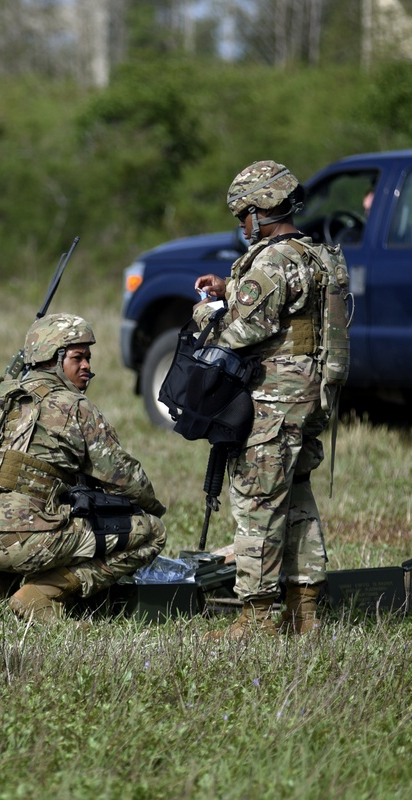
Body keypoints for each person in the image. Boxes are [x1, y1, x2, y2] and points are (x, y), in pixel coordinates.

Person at [194, 160, 337, 640]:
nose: (242, 226)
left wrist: (207, 314)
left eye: (243, 216)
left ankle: (256, 617)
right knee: (296, 500)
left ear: (261, 210)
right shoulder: (313, 255)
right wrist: (230, 287)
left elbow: (245, 329)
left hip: (272, 403)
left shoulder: (271, 260)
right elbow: (280, 301)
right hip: (306, 399)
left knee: (257, 501)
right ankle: (305, 612)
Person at [0, 313, 167, 622]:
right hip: (22, 542)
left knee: (27, 517)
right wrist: (152, 507)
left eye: (88, 358)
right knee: (152, 531)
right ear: (53, 360)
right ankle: (42, 593)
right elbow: (124, 478)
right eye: (77, 357)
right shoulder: (74, 406)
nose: (87, 367)